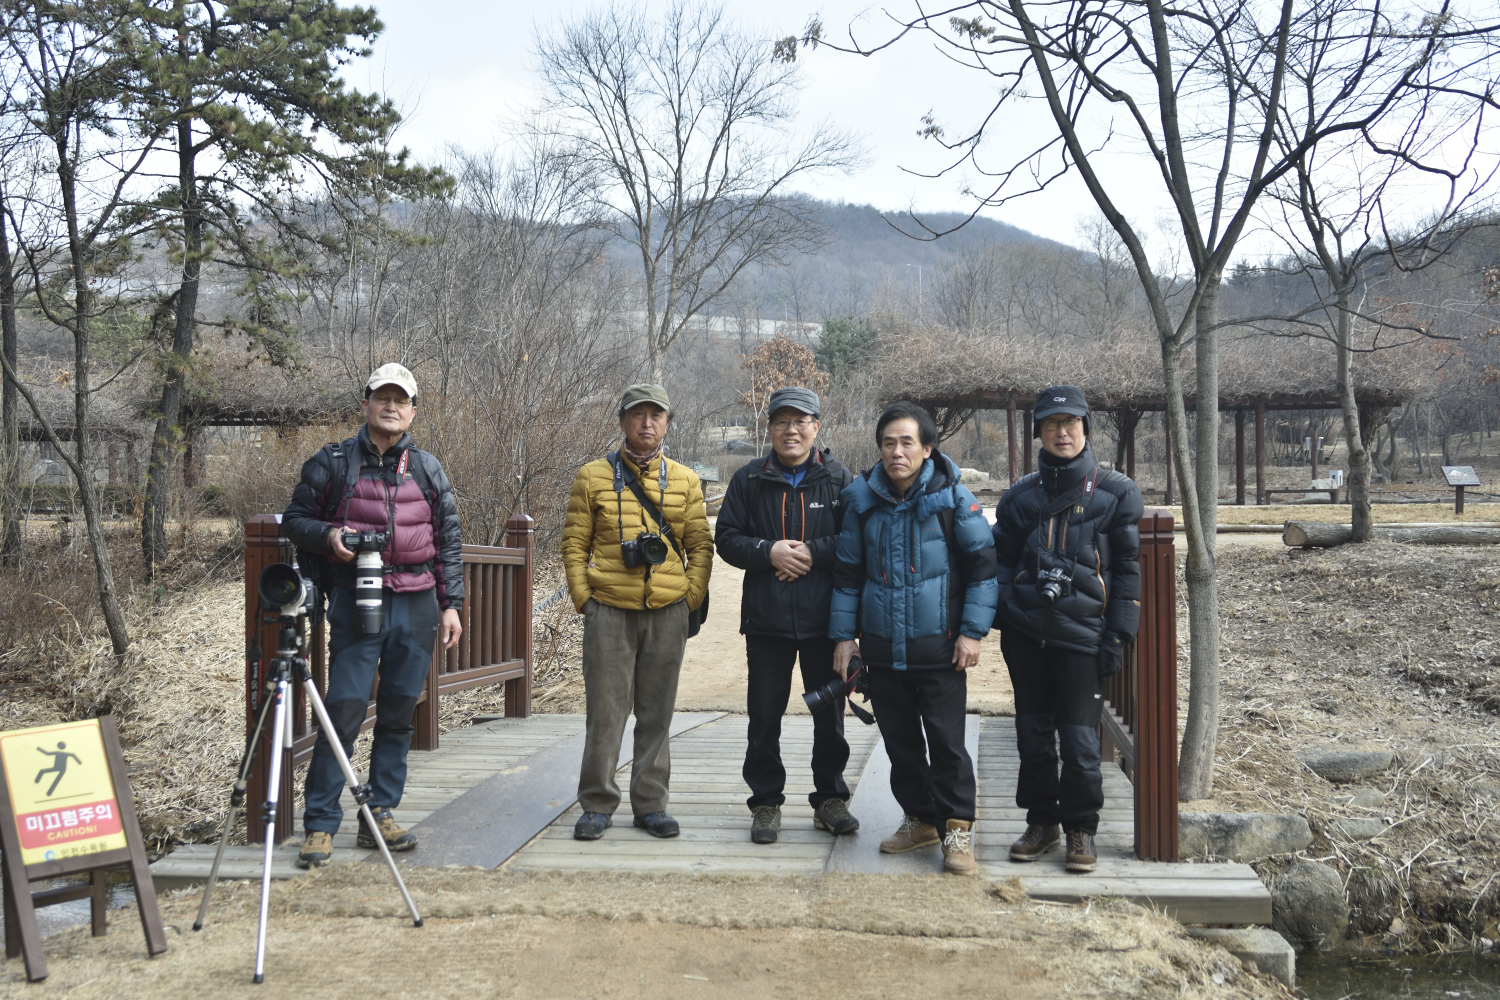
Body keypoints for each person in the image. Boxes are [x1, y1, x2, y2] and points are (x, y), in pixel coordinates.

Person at [282, 363, 465, 868]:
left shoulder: (427, 468)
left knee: (398, 713)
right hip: (357, 597)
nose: (391, 407)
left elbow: (448, 541)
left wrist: (452, 605)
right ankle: (320, 824)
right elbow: (295, 521)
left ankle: (379, 812)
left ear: (413, 411)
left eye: (401, 400)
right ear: (365, 404)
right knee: (342, 711)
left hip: (418, 603)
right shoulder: (334, 462)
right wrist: (329, 537)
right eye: (382, 397)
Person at [830, 401, 998, 875]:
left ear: (927, 448)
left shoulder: (955, 499)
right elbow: (847, 575)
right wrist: (844, 638)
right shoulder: (861, 502)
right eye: (889, 443)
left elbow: (984, 570)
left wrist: (971, 633)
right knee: (900, 744)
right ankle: (921, 819)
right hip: (882, 648)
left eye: (907, 442)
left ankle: (957, 828)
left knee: (947, 744)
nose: (897, 452)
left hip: (940, 648)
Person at [992, 385, 1143, 873]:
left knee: (1079, 744)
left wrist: (1118, 634)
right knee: (1033, 737)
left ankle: (1082, 828)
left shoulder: (1117, 493)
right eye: (1052, 424)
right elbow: (999, 560)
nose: (1062, 432)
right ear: (1039, 431)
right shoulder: (1019, 496)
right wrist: (1006, 608)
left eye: (1071, 423)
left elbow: (1128, 571)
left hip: (1083, 637)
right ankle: (1041, 823)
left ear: (1086, 429)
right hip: (1026, 635)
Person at [561, 384, 713, 841]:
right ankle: (597, 803)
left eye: (656, 415)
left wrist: (689, 597)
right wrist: (585, 599)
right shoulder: (592, 477)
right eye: (638, 414)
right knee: (605, 712)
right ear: (623, 420)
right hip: (608, 611)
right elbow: (574, 544)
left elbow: (700, 546)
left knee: (657, 712)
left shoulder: (685, 480)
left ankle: (651, 804)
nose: (647, 423)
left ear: (667, 423)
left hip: (667, 611)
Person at [716, 386, 858, 845]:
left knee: (830, 716)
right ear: (770, 428)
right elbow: (727, 538)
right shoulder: (749, 479)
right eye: (782, 422)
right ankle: (765, 803)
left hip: (825, 621)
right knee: (764, 715)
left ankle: (830, 799)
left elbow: (856, 539)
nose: (790, 430)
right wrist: (769, 551)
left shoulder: (839, 479)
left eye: (800, 422)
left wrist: (812, 552)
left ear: (816, 427)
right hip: (767, 620)